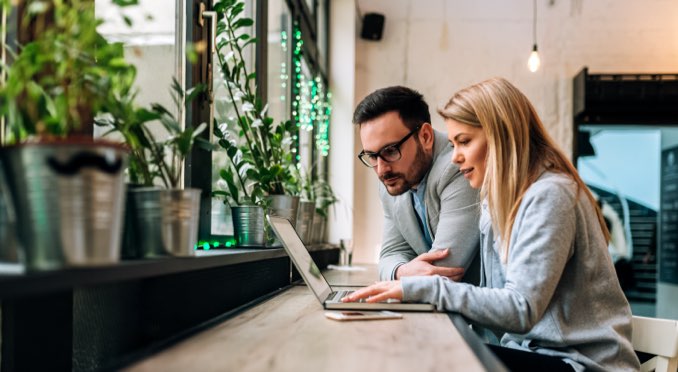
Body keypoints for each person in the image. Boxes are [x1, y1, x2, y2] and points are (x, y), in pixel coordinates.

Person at [345, 78, 640, 371]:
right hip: (535, 352)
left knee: (429, 358)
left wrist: (418, 288)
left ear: (502, 136)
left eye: (464, 142)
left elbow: (521, 309)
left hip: (580, 363)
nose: (455, 156)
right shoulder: (498, 201)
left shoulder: (550, 195)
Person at [353, 86, 481, 283]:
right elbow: (390, 255)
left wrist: (400, 273)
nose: (381, 170)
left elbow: (443, 270)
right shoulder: (394, 179)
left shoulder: (459, 167)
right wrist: (401, 271)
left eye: (390, 150)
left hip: (476, 308)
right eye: (372, 156)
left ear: (425, 137)